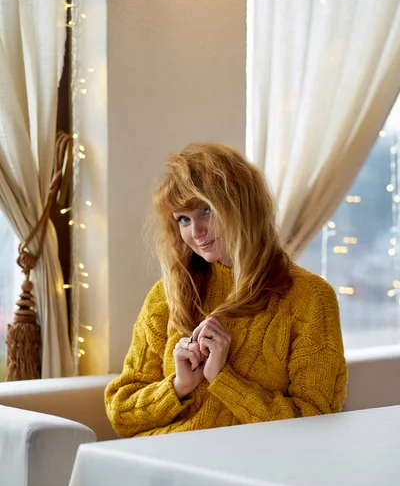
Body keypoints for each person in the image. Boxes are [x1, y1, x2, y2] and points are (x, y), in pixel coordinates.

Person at [105, 142, 347, 438]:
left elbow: (316, 423)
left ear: (244, 207)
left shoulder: (309, 298)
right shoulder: (167, 295)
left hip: (250, 470)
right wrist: (179, 387)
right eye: (183, 219)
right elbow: (121, 413)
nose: (196, 232)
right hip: (164, 462)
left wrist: (223, 379)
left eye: (206, 211)